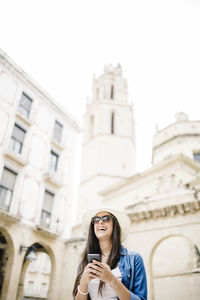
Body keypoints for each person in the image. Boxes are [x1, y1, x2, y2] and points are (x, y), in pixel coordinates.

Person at [72, 207, 147, 300]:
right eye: (96, 220)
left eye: (106, 218)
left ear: (115, 225)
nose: (100, 222)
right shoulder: (84, 261)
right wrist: (83, 282)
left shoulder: (134, 258)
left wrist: (111, 279)